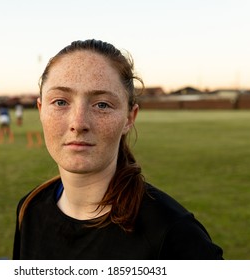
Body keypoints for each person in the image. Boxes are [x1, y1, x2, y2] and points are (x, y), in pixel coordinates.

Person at [13, 39, 223, 260]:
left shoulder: (173, 234)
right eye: (60, 102)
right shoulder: (30, 208)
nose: (78, 122)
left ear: (129, 118)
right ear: (40, 109)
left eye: (102, 104)